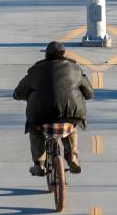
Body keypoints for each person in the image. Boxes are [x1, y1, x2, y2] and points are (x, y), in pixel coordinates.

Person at [13, 41, 94, 176]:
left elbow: (18, 93)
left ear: (46, 55)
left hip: (41, 117)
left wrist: (20, 96)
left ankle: (39, 165)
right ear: (63, 54)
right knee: (71, 129)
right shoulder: (75, 69)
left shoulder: (35, 71)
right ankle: (73, 157)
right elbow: (89, 93)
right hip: (69, 115)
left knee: (36, 132)